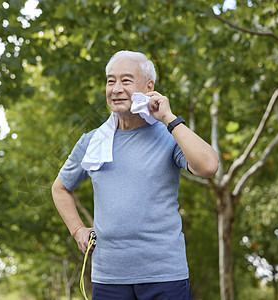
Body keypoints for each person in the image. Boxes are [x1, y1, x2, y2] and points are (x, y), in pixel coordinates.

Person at [51, 50, 219, 299]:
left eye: (126, 80)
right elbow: (60, 188)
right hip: (108, 278)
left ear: (149, 86)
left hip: (165, 276)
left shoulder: (169, 135)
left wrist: (169, 118)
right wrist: (77, 230)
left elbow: (208, 166)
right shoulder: (92, 141)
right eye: (110, 81)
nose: (116, 89)